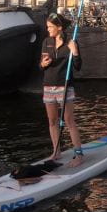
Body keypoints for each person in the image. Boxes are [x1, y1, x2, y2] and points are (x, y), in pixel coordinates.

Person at [40, 13, 84, 168]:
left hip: (65, 86)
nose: (48, 30)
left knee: (68, 120)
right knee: (52, 121)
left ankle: (79, 155)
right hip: (48, 86)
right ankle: (56, 151)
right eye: (47, 27)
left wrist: (75, 52)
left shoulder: (71, 42)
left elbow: (78, 67)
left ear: (59, 28)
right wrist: (44, 64)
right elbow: (41, 64)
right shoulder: (46, 41)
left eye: (50, 27)